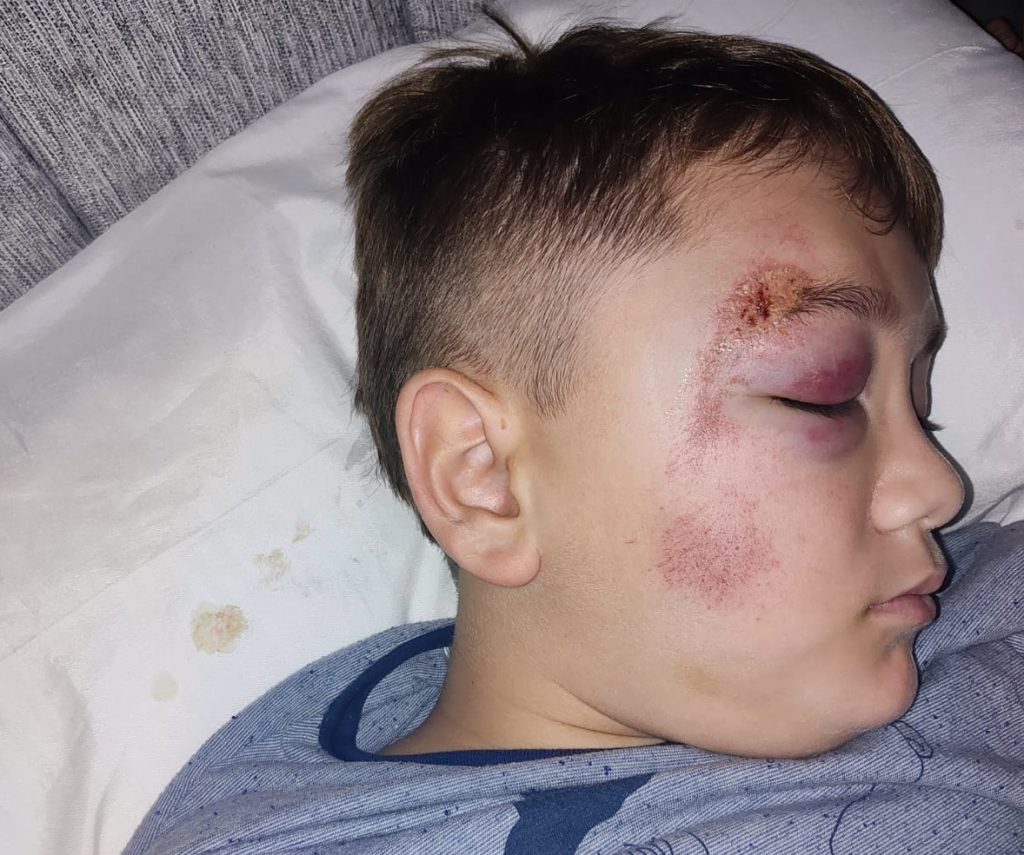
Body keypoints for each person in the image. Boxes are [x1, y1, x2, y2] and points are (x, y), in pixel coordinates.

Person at [124, 13, 1024, 854]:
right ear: (484, 475)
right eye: (819, 394)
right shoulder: (272, 816)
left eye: (922, 403)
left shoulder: (978, 604)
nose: (939, 486)